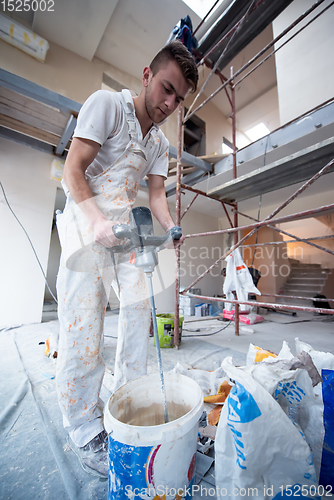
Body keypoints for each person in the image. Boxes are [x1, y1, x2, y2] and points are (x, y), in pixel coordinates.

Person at [55, 40, 198, 479]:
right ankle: (83, 426)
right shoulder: (107, 107)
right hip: (87, 223)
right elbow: (72, 170)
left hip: (124, 231)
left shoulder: (157, 144)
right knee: (85, 326)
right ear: (146, 77)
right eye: (166, 89)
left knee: (140, 309)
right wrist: (96, 221)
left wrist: (169, 225)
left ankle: (129, 400)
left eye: (178, 99)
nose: (170, 103)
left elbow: (155, 194)